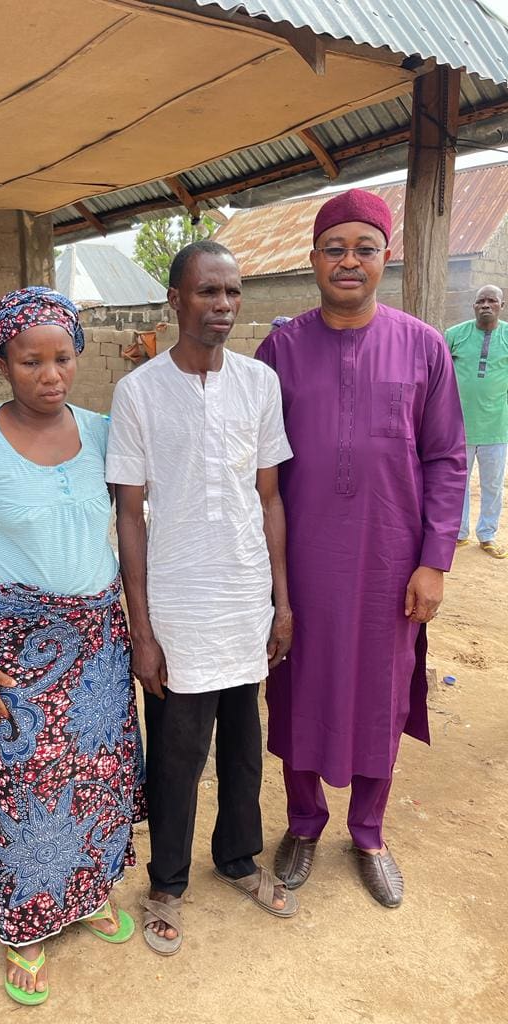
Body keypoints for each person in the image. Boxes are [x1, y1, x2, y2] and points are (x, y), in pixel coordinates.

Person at [256, 189, 466, 908]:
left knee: (383, 688)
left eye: (364, 248)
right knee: (297, 683)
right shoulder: (281, 350)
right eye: (335, 248)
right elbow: (257, 465)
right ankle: (304, 822)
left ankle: (369, 832)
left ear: (386, 257)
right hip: (302, 562)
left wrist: (434, 560)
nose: (349, 261)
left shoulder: (424, 346)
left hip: (390, 561)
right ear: (314, 258)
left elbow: (447, 460)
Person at [0, 286, 145, 1005]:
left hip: (98, 644)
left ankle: (85, 893)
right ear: (3, 364)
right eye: (31, 361)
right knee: (22, 786)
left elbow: (134, 523)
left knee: (96, 777)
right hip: (14, 647)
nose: (50, 375)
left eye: (62, 358)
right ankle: (26, 924)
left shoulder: (106, 431)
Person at [106, 240, 298, 957]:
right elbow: (129, 515)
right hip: (178, 601)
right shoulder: (138, 392)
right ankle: (167, 883)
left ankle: (238, 858)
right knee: (178, 752)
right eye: (208, 291)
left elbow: (270, 499)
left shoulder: (259, 384)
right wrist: (142, 628)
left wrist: (281, 602)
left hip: (244, 594)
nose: (223, 305)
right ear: (176, 300)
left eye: (233, 292)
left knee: (244, 743)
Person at [445, 285, 508, 558]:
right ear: (473, 306)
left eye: (492, 301)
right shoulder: (455, 335)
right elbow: (438, 372)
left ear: (501, 306)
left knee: (492, 485)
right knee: (458, 483)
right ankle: (459, 532)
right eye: (480, 301)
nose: (486, 305)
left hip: (496, 427)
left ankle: (488, 534)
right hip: (458, 428)